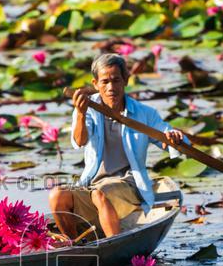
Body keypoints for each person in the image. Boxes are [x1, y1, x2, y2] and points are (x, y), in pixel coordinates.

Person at [49, 53, 186, 240]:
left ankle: (114, 246)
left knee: (100, 194)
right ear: (95, 84)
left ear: (126, 80)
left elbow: (168, 138)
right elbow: (79, 141)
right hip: (92, 185)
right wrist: (80, 114)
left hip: (129, 185)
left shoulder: (143, 113)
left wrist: (174, 138)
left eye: (116, 80)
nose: (111, 87)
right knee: (58, 195)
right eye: (105, 81)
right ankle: (74, 244)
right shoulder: (87, 108)